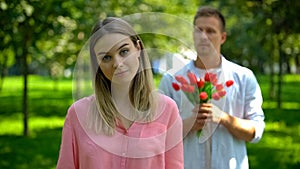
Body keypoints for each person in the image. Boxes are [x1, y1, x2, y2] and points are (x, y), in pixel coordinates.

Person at [56, 17, 183, 169]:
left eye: (124, 51)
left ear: (138, 49)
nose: (117, 63)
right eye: (106, 57)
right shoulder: (78, 114)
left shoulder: (168, 110)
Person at [159, 6, 265, 169]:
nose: (203, 36)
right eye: (198, 30)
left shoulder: (243, 77)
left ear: (222, 37)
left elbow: (255, 131)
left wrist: (223, 118)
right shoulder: (171, 79)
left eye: (210, 31)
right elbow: (158, 135)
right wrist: (189, 124)